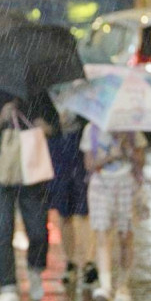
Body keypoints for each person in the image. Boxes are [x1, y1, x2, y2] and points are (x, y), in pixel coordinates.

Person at [0, 89, 58, 301]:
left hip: (32, 171)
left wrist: (44, 127)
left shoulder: (37, 94)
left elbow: (55, 127)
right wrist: (0, 119)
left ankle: (36, 270)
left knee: (38, 229)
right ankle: (8, 287)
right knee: (1, 231)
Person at [80, 123, 146, 301]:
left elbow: (141, 161)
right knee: (102, 233)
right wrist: (111, 156)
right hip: (100, 184)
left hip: (126, 183)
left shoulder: (132, 130)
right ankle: (106, 285)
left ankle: (123, 285)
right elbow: (89, 164)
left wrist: (127, 150)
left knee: (125, 235)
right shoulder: (91, 130)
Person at [47, 112, 97, 286]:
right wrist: (52, 124)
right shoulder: (46, 96)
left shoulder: (85, 96)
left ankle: (87, 261)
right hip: (57, 152)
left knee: (85, 211)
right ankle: (71, 262)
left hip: (80, 150)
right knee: (63, 212)